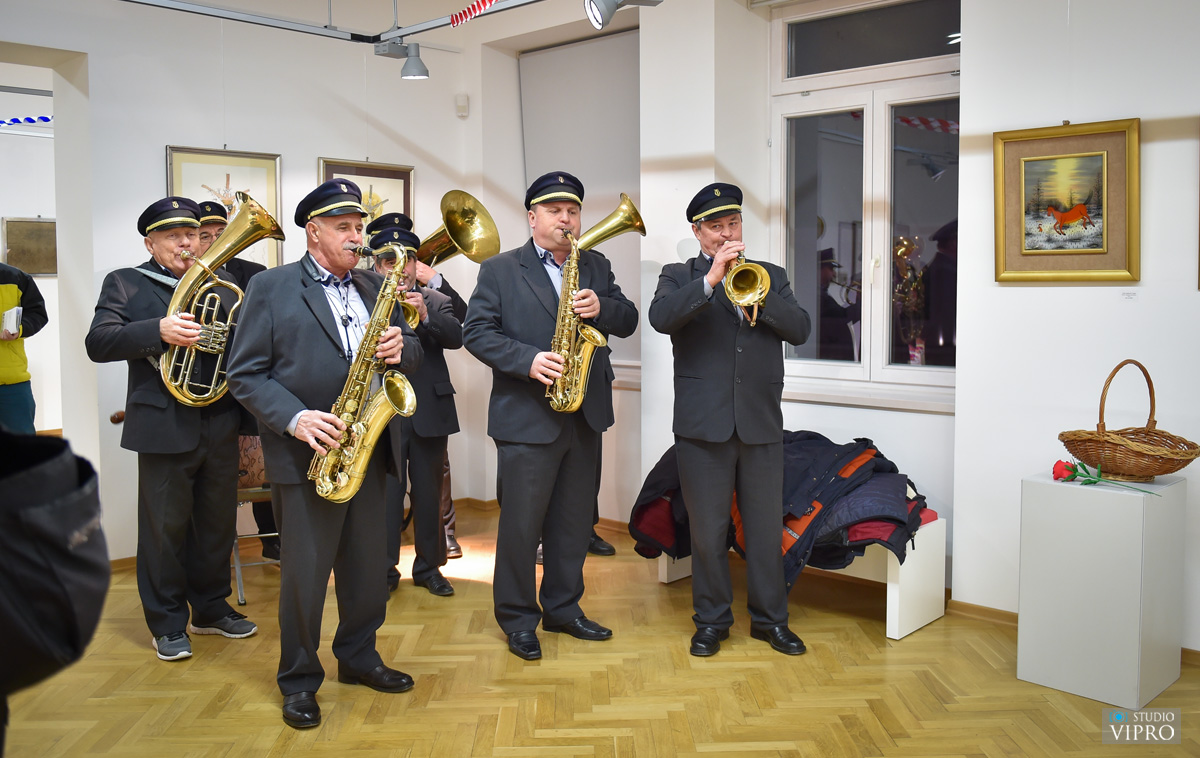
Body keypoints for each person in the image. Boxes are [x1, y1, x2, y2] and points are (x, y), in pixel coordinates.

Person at [226, 179, 421, 729]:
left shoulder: (374, 284)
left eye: (360, 227)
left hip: (371, 449)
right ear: (313, 232)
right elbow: (245, 374)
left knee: (368, 570)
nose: (357, 237)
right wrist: (297, 418)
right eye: (344, 227)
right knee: (305, 578)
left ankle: (358, 658)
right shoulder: (271, 286)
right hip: (308, 455)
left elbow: (414, 353)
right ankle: (299, 680)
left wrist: (402, 348)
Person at [463, 171, 637, 660]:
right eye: (555, 211)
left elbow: (628, 318)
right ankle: (518, 619)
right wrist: (528, 360)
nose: (566, 219)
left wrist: (602, 307)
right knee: (521, 527)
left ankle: (563, 609)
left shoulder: (596, 264)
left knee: (573, 523)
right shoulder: (500, 269)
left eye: (573, 211)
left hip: (584, 415)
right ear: (532, 216)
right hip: (526, 417)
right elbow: (476, 332)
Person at [85, 197, 257, 663]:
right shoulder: (126, 282)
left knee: (216, 523)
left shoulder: (220, 285)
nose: (187, 244)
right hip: (163, 423)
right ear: (151, 243)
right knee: (164, 529)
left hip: (219, 417)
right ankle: (166, 623)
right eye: (173, 236)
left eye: (192, 235)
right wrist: (156, 330)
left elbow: (241, 347)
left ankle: (211, 608)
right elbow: (98, 342)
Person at [648, 182, 811, 658]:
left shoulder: (771, 275)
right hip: (703, 426)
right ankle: (712, 622)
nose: (726, 233)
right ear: (698, 232)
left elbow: (800, 329)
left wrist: (765, 301)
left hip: (760, 423)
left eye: (733, 223)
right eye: (716, 226)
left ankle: (770, 621)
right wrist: (711, 281)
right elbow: (661, 318)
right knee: (708, 531)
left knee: (764, 531)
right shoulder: (678, 276)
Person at [368, 225, 463, 596]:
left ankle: (430, 568)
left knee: (429, 495)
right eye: (390, 261)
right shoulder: (363, 299)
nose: (401, 269)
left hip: (429, 410)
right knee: (386, 497)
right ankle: (383, 570)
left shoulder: (435, 299)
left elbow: (457, 337)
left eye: (407, 260)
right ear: (377, 266)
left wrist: (425, 315)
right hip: (382, 412)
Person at [193, 199, 280, 560]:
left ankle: (272, 541)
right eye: (205, 235)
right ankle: (215, 553)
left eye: (221, 233)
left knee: (264, 467)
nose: (214, 240)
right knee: (215, 482)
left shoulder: (255, 273)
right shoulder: (187, 275)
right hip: (209, 390)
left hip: (250, 386)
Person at [0, 261, 48, 434]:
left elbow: (37, 313)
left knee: (21, 447)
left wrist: (19, 329)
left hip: (10, 384)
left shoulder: (16, 278)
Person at [920, 219, 957, 367]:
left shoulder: (940, 266)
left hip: (941, 345)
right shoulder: (945, 271)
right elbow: (946, 313)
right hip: (944, 347)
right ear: (953, 243)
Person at [816, 247, 860, 362]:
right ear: (820, 269)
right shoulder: (818, 296)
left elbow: (840, 313)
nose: (834, 274)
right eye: (831, 269)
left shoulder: (822, 294)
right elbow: (843, 316)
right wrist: (863, 303)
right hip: (832, 359)